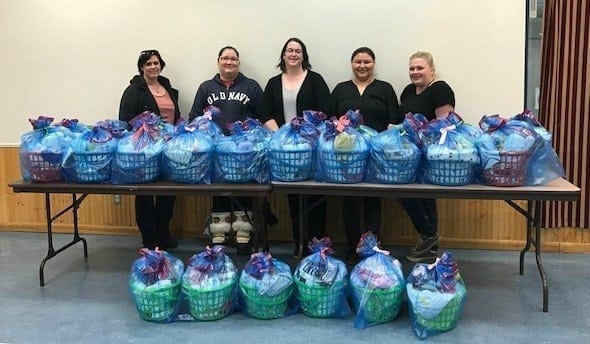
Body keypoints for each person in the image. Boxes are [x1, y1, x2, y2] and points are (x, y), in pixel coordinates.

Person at [258, 37, 331, 258]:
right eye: (289, 50)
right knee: (293, 198)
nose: (293, 54)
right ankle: (299, 243)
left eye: (298, 51)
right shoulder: (273, 82)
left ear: (303, 56)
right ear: (283, 55)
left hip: (311, 147)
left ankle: (317, 245)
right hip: (285, 152)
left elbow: (325, 110)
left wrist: (306, 133)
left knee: (316, 197)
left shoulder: (315, 80)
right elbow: (264, 112)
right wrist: (281, 135)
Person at [188, 46, 264, 252]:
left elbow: (263, 117)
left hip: (245, 152)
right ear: (218, 61)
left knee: (244, 190)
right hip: (215, 151)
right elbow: (194, 118)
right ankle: (219, 235)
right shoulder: (206, 87)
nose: (229, 62)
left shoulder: (252, 86)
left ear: (238, 63)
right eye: (225, 58)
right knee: (219, 192)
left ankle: (244, 235)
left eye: (233, 59)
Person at [331, 47, 399, 264]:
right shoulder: (341, 89)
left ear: (373, 64)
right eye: (358, 62)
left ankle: (370, 248)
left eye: (367, 62)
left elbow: (393, 122)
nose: (362, 66)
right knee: (349, 201)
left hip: (376, 154)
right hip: (347, 156)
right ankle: (352, 246)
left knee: (373, 200)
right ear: (352, 64)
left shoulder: (385, 89)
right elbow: (331, 121)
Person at [396, 51, 455, 263]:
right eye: (412, 68)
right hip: (409, 154)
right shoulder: (408, 91)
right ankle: (430, 248)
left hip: (431, 153)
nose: (415, 72)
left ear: (431, 69)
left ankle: (429, 235)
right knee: (423, 198)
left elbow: (446, 125)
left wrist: (418, 131)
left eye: (420, 68)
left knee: (414, 194)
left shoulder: (440, 89)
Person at [119, 49, 180, 250]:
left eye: (156, 63)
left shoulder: (167, 87)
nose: (153, 67)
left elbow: (175, 115)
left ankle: (163, 234)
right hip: (145, 149)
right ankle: (149, 238)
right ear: (141, 68)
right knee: (145, 194)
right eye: (148, 64)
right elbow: (125, 120)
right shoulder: (134, 90)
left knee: (168, 192)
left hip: (169, 146)